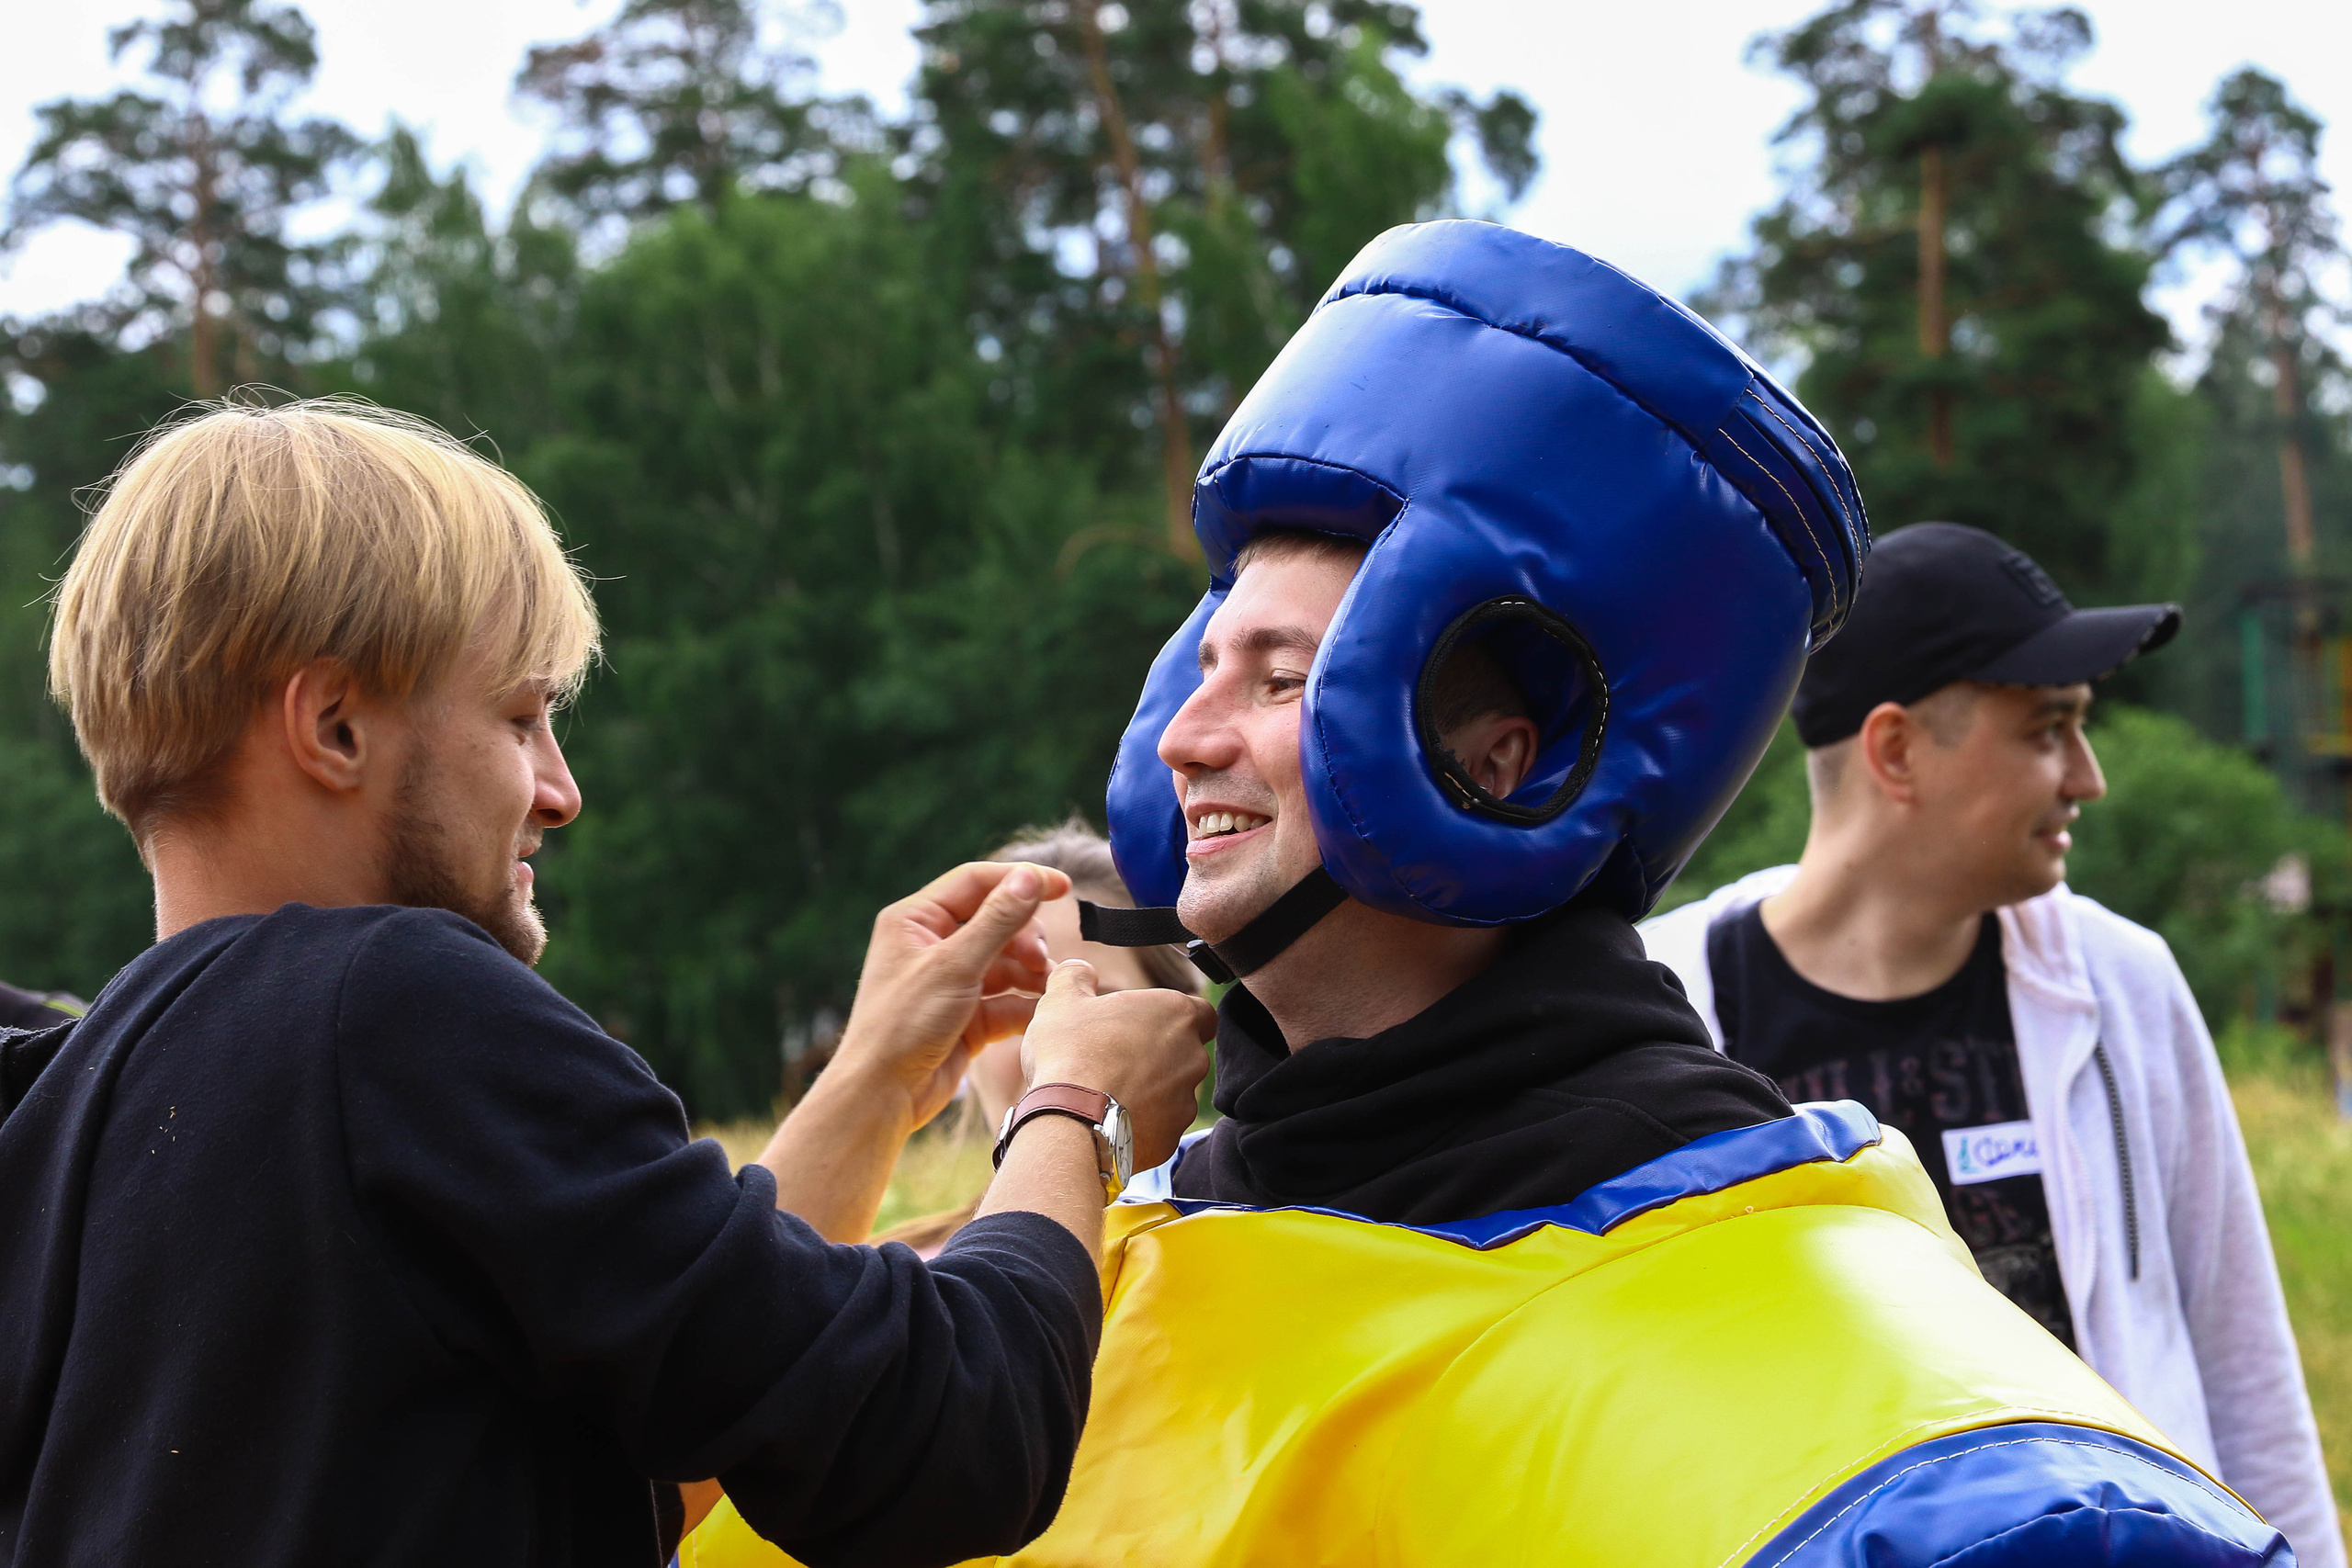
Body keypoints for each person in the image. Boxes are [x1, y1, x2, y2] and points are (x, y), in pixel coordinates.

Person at [682, 222, 2289, 1567]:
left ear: (1506, 765)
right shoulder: (1113, 1259)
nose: (1186, 735)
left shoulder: (1919, 1465)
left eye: (1283, 677)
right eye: (1203, 666)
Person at [0, 399, 1213, 1568]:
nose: (561, 789)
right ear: (332, 727)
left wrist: (875, 1082)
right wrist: (1075, 1107)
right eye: (521, 715)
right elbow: (953, 1433)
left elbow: (649, 1440)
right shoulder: (389, 1006)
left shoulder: (66, 1117)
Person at [1639, 521, 2344, 1568]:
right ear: (1895, 752)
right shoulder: (1666, 1006)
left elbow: (2242, 1363)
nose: (2087, 777)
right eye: (2047, 730)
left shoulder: (2121, 982)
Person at [872, 819, 1204, 1258]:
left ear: (1188, 1024)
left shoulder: (1253, 1234)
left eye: (1095, 1005)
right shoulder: (904, 1281)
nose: (1052, 1044)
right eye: (1021, 1008)